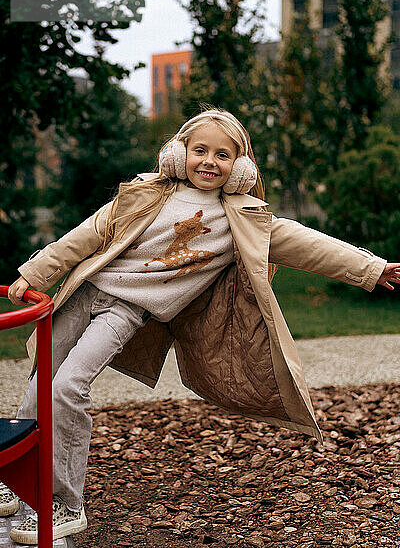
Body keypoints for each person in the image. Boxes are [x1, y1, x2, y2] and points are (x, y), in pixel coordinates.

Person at [3, 107, 400, 544]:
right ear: (179, 154)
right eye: (200, 150)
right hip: (82, 293)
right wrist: (34, 275)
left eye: (223, 154)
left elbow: (307, 244)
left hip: (126, 311)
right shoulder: (145, 194)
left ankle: (62, 502)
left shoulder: (243, 220)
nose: (210, 161)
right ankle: (17, 477)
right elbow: (86, 235)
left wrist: (371, 268)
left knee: (66, 387)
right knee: (40, 381)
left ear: (241, 167)